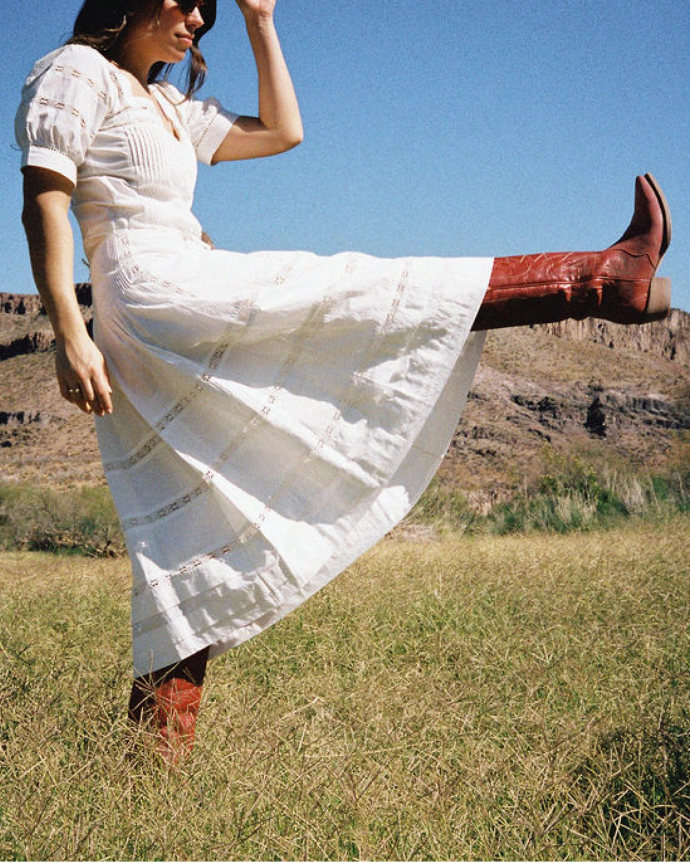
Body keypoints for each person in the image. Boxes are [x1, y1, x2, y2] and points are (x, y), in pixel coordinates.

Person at [16, 0, 671, 761]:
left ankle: (147, 772)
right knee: (353, 292)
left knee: (184, 534)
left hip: (181, 274)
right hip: (149, 287)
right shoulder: (74, 71)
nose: (199, 16)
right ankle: (594, 280)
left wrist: (261, 20)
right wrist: (67, 330)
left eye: (209, 7)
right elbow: (45, 201)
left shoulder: (163, 102)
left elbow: (283, 132)